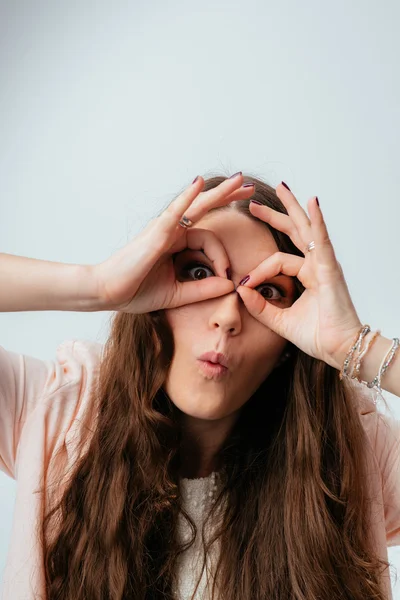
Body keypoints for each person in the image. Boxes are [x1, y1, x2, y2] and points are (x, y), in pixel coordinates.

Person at [0, 172, 399, 600]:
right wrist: (98, 286)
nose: (228, 317)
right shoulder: (58, 410)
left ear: (290, 343)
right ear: (152, 304)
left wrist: (358, 347)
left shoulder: (352, 451)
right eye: (197, 273)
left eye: (268, 291)